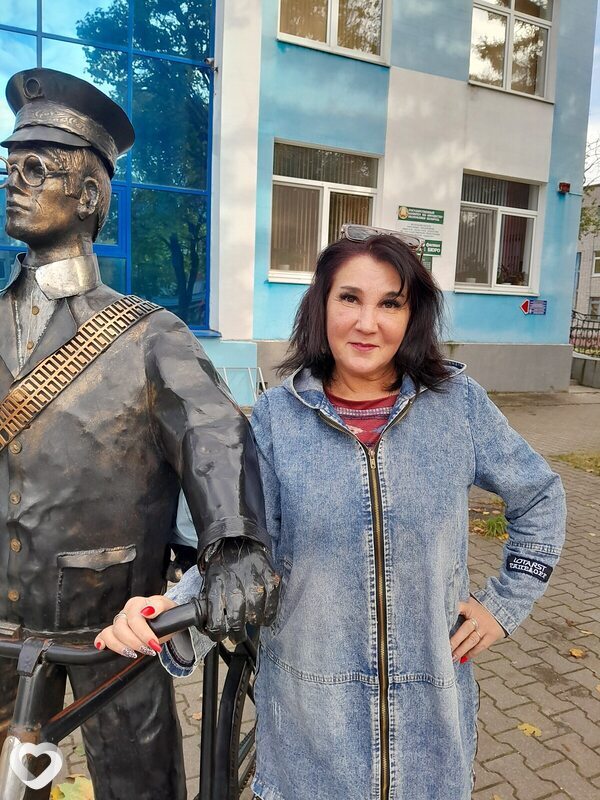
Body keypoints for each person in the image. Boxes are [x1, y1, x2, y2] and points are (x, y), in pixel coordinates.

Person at [98, 225, 566, 800]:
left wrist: (503, 607)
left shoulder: (458, 406)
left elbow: (541, 498)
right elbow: (248, 547)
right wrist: (169, 607)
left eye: (390, 303)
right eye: (350, 298)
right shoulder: (276, 419)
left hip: (431, 737)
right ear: (321, 306)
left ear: (413, 316)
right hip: (310, 736)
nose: (367, 323)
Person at [0, 67, 278, 800]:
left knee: (140, 787)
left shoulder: (151, 335)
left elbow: (214, 435)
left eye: (36, 167)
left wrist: (235, 545)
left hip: (112, 630)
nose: (13, 181)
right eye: (10, 164)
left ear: (90, 195)